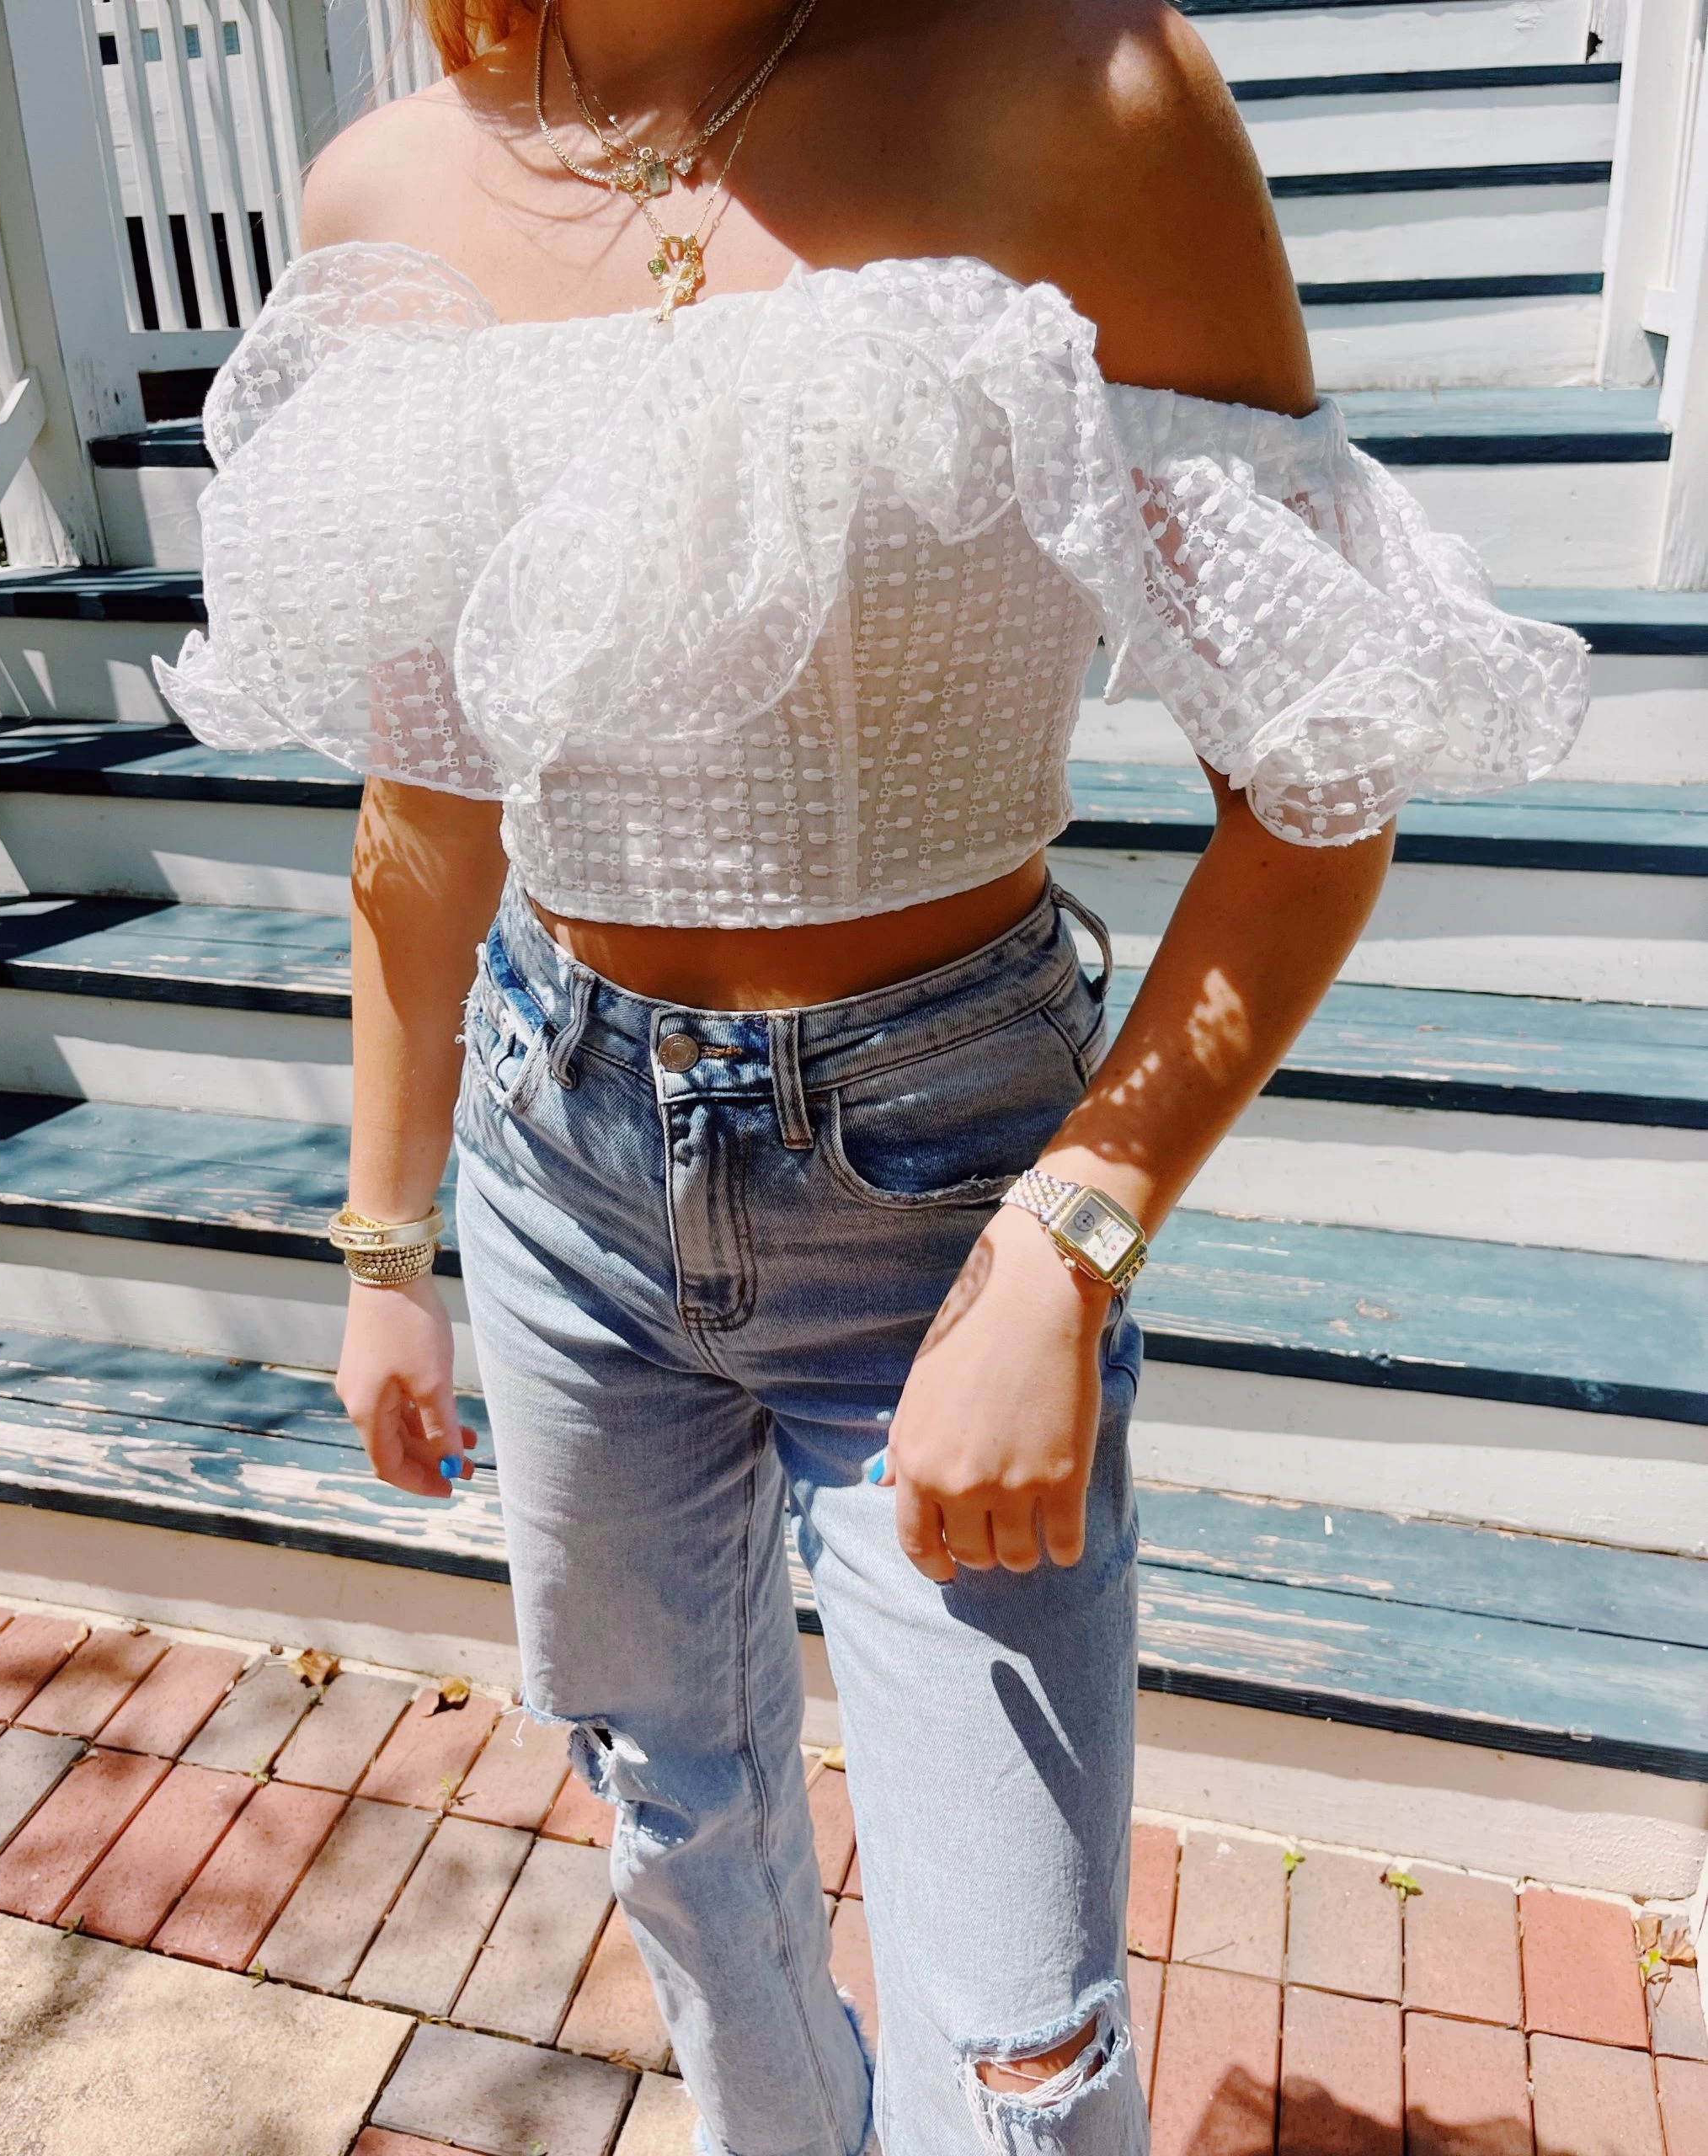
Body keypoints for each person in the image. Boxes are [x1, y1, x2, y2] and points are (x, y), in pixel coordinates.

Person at [156, 2, 1589, 2147]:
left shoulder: (1084, 91)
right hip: (558, 1157)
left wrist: (1068, 1241)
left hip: (945, 1186)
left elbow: (1318, 790)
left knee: (1021, 2044)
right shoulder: (385, 184)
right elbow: (431, 799)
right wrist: (382, 1240)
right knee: (677, 1816)